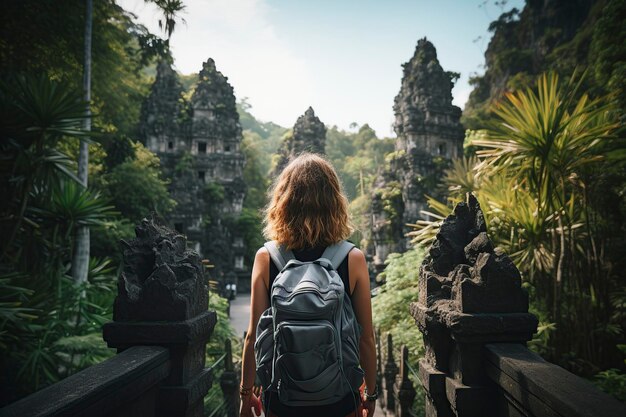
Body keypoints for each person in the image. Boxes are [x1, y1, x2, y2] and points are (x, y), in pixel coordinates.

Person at [239, 153, 377, 417]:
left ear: (283, 201)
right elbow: (366, 338)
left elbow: (252, 336)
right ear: (334, 202)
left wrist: (246, 394)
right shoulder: (352, 258)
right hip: (339, 397)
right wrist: (370, 394)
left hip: (282, 397)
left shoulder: (266, 257)